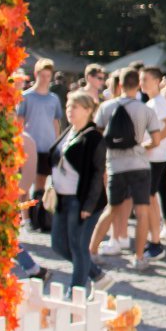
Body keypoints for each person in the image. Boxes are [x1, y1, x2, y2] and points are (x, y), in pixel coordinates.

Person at [92, 67, 166, 271]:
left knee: (111, 210)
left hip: (116, 165)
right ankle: (139, 256)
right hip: (139, 165)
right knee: (142, 211)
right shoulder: (146, 110)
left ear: (119, 85)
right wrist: (141, 147)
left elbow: (97, 137)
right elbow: (157, 139)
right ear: (138, 86)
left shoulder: (106, 107)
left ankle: (92, 251)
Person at [49, 90, 115, 295]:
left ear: (88, 110)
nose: (70, 110)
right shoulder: (69, 132)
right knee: (59, 245)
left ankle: (75, 292)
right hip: (62, 198)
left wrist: (88, 205)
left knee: (78, 246)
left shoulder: (94, 138)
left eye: (75, 107)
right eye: (68, 106)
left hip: (81, 200)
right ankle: (96, 274)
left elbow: (97, 174)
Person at [17, 59, 63, 232]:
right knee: (25, 183)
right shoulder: (26, 96)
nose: (45, 79)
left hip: (47, 146)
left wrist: (57, 143)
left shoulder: (53, 98)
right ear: (36, 75)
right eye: (42, 75)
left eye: (48, 76)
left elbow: (56, 121)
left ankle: (40, 217)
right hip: (29, 146)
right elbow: (19, 121)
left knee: (41, 183)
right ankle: (26, 218)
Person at [139, 66, 166, 246]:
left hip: (155, 155)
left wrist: (155, 141)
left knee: (150, 195)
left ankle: (157, 231)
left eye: (145, 79)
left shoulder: (159, 102)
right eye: (141, 79)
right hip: (154, 154)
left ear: (156, 81)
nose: (142, 83)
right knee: (161, 190)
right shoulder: (152, 102)